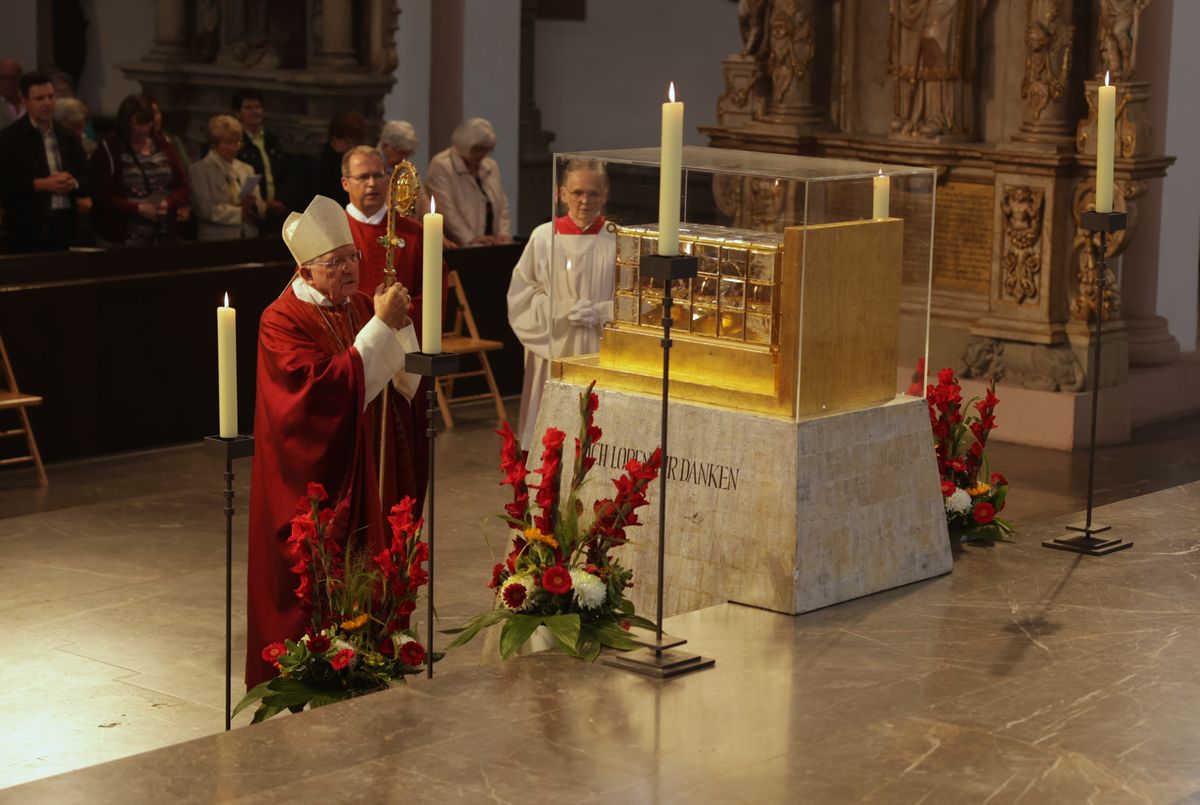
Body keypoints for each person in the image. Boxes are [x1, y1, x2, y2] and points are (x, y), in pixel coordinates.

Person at [246, 194, 423, 688]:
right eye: (335, 263)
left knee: (365, 561)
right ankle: (311, 669)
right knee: (312, 573)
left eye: (352, 259)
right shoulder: (280, 320)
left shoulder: (360, 305)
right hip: (309, 478)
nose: (349, 270)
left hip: (360, 463)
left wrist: (399, 324)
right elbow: (314, 393)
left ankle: (364, 653)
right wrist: (381, 328)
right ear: (305, 271)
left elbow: (405, 381)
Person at [507, 158, 614, 448]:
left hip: (598, 346)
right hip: (553, 345)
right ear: (561, 193)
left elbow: (632, 299)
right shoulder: (543, 237)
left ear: (605, 195)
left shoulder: (617, 239)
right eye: (577, 192)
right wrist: (560, 310)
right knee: (550, 437)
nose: (584, 200)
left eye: (593, 193)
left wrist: (602, 313)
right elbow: (521, 295)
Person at [0, 70, 92, 253]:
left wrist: (72, 182)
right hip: (27, 231)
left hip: (65, 226)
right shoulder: (10, 138)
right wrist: (42, 184)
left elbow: (89, 178)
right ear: (25, 101)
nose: (47, 103)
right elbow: (5, 185)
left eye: (51, 97)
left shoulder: (67, 135)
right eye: (40, 98)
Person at [90, 93, 190, 246]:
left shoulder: (163, 145)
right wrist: (137, 209)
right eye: (138, 124)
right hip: (123, 238)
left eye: (148, 123)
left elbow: (183, 186)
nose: (144, 129)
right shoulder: (109, 150)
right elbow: (101, 196)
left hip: (161, 236)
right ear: (125, 123)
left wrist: (168, 203)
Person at [425, 117, 512, 246]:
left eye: (486, 149)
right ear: (464, 144)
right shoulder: (441, 164)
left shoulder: (491, 165)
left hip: (492, 241)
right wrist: (470, 238)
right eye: (477, 149)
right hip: (459, 245)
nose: (481, 154)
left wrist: (504, 234)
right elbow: (447, 209)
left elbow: (502, 203)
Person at [189, 114, 266, 240]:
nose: (234, 148)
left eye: (237, 142)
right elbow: (205, 210)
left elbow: (261, 206)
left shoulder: (246, 169)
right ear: (215, 143)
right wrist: (240, 212)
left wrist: (253, 206)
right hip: (217, 240)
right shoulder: (199, 170)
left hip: (248, 235)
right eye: (228, 142)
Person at [232, 88, 289, 224]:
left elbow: (284, 171)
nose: (255, 111)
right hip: (251, 211)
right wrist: (261, 203)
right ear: (238, 113)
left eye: (258, 107)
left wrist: (281, 200)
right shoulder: (236, 142)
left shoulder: (272, 139)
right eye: (248, 107)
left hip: (277, 210)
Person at [317, 110, 365, 207]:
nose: (353, 146)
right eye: (349, 141)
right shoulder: (318, 164)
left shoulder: (353, 160)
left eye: (356, 142)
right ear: (335, 138)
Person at [0, 59, 24, 129]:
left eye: (13, 78)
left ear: (20, 78)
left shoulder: (29, 101)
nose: (8, 83)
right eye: (3, 78)